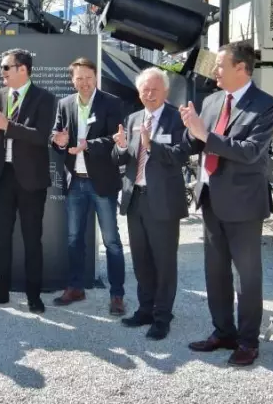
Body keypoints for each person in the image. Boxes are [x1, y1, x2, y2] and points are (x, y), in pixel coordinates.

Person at [179, 41, 273, 366]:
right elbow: (196, 142)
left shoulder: (266, 106)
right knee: (215, 272)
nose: (215, 70)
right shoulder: (210, 101)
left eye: (220, 65)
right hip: (210, 199)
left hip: (244, 204)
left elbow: (250, 151)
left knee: (247, 276)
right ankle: (223, 331)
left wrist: (205, 135)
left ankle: (248, 342)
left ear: (242, 68)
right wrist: (188, 130)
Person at [111, 67, 190, 340]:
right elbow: (123, 159)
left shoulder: (176, 119)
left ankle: (162, 316)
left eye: (155, 89)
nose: (149, 94)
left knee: (164, 263)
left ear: (165, 92)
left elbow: (182, 155)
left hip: (164, 203)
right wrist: (121, 147)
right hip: (136, 200)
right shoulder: (133, 118)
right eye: (145, 90)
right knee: (142, 260)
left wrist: (151, 144)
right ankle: (145, 309)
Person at [0, 48, 56, 314]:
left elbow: (41, 136)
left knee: (32, 239)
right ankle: (0, 292)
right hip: (4, 177)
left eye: (6, 67)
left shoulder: (45, 98)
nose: (2, 72)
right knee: (2, 239)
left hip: (32, 181)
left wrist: (6, 126)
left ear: (22, 69)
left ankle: (33, 296)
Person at [50, 57, 126, 316]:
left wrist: (88, 145)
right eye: (79, 78)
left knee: (112, 241)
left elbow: (116, 139)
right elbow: (56, 135)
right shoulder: (65, 104)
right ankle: (75, 287)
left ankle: (117, 295)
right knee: (74, 239)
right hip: (75, 182)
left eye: (88, 78)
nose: (84, 83)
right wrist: (58, 141)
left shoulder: (111, 103)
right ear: (72, 80)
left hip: (101, 181)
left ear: (96, 78)